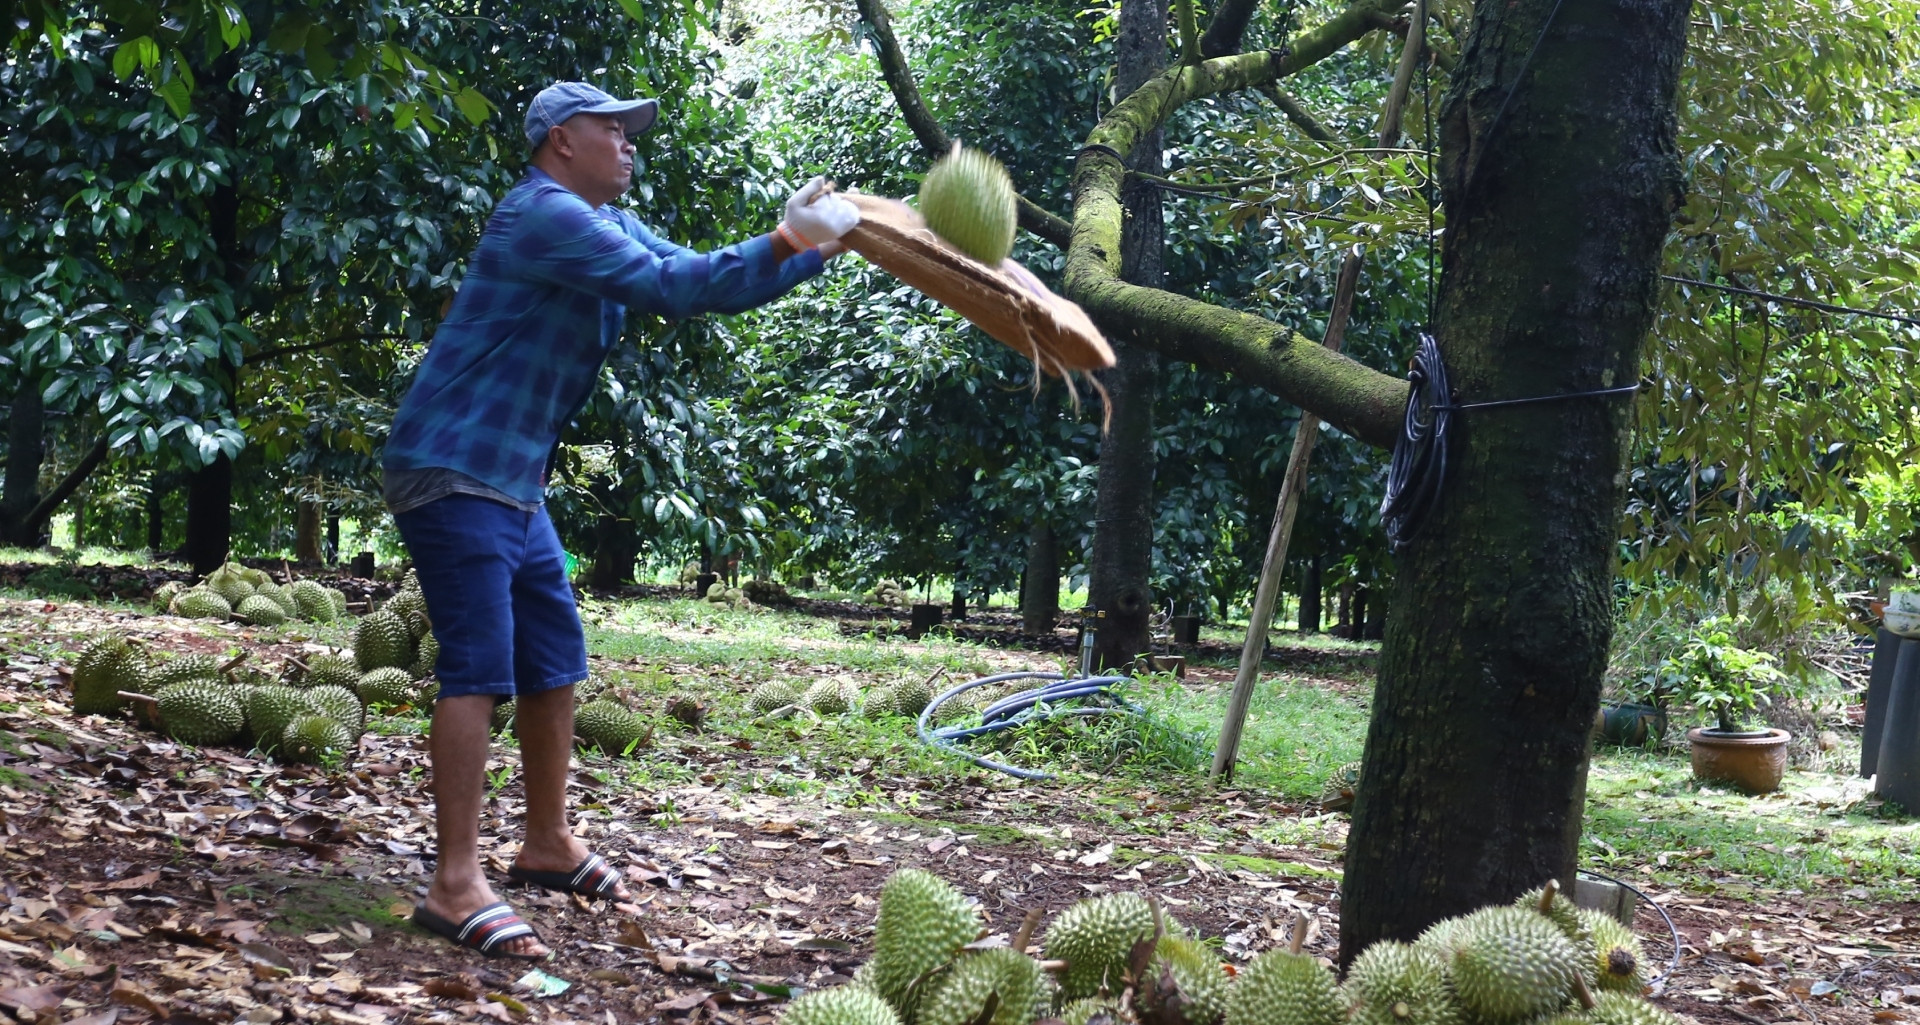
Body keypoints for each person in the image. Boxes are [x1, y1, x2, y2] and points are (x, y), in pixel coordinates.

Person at [383, 81, 859, 959]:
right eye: (614, 129)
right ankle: (453, 885)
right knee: (480, 667)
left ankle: (546, 842)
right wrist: (793, 235)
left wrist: (815, 250)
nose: (630, 143)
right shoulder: (543, 215)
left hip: (510, 478)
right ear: (562, 141)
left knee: (554, 650)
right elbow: (671, 287)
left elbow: (700, 273)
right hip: (454, 465)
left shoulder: (600, 223)